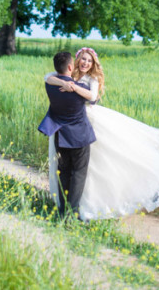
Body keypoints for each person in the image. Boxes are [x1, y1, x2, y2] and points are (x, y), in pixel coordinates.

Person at [45, 47, 159, 221]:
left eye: (89, 61)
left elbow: (92, 96)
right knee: (76, 169)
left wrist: (73, 87)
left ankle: (81, 206)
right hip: (72, 122)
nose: (85, 63)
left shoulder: (93, 79)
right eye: (83, 59)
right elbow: (48, 78)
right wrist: (64, 83)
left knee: (97, 163)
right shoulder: (68, 75)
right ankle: (71, 208)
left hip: (90, 123)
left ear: (93, 64)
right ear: (76, 60)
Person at [37, 51, 96, 218]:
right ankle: (71, 213)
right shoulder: (82, 88)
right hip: (79, 137)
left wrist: (71, 84)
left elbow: (48, 76)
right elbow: (93, 97)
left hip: (60, 136)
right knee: (78, 173)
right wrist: (74, 86)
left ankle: (62, 210)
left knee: (63, 172)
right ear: (71, 66)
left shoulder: (50, 84)